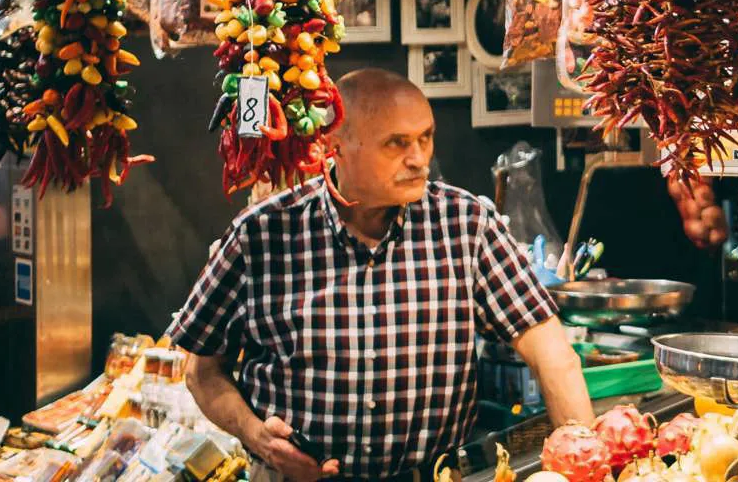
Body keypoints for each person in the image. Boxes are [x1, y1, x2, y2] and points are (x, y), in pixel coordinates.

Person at [169, 68, 592, 482]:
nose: (419, 159)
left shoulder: (467, 224)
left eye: (426, 138)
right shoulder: (262, 235)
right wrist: (257, 436)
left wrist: (587, 462)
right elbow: (202, 372)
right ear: (335, 147)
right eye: (397, 144)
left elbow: (554, 356)